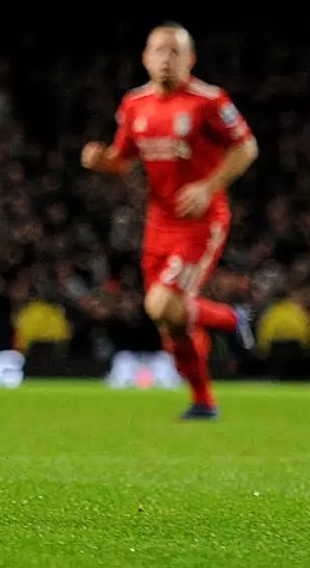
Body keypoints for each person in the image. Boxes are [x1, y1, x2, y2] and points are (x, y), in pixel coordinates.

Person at [81, 24, 258, 419]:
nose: (166, 59)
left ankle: (230, 320)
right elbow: (122, 159)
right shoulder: (134, 104)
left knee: (163, 304)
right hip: (158, 224)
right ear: (145, 58)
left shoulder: (209, 101)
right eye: (159, 50)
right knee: (170, 321)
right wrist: (101, 161)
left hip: (201, 221)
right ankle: (204, 400)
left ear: (190, 59)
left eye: (175, 51)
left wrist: (209, 187)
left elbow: (246, 147)